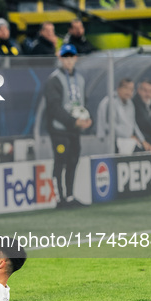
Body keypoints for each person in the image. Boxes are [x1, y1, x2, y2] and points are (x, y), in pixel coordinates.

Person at [44, 44, 91, 208]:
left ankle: (70, 196)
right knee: (60, 161)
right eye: (65, 57)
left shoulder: (81, 79)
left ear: (76, 58)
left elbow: (84, 102)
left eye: (71, 57)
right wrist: (73, 121)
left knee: (72, 161)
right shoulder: (54, 80)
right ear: (60, 58)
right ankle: (59, 199)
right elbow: (54, 107)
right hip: (59, 129)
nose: (69, 60)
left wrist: (87, 119)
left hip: (74, 129)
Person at [96, 78, 151, 154]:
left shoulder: (130, 103)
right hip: (111, 141)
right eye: (126, 88)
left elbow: (133, 124)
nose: (129, 92)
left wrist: (143, 141)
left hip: (129, 140)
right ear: (118, 89)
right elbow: (109, 126)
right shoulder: (110, 103)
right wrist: (128, 136)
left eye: (131, 89)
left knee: (147, 150)